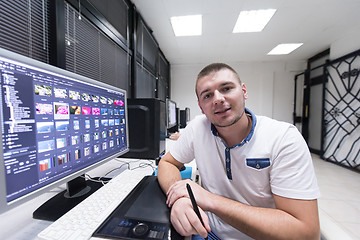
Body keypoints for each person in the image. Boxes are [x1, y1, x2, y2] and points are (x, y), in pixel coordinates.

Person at [157, 63, 320, 240]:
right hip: (209, 232)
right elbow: (167, 163)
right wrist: (179, 198)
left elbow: (307, 233)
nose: (218, 99)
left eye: (226, 88)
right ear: (201, 106)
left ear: (244, 91)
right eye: (207, 95)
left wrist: (210, 200)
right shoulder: (198, 127)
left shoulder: (283, 138)